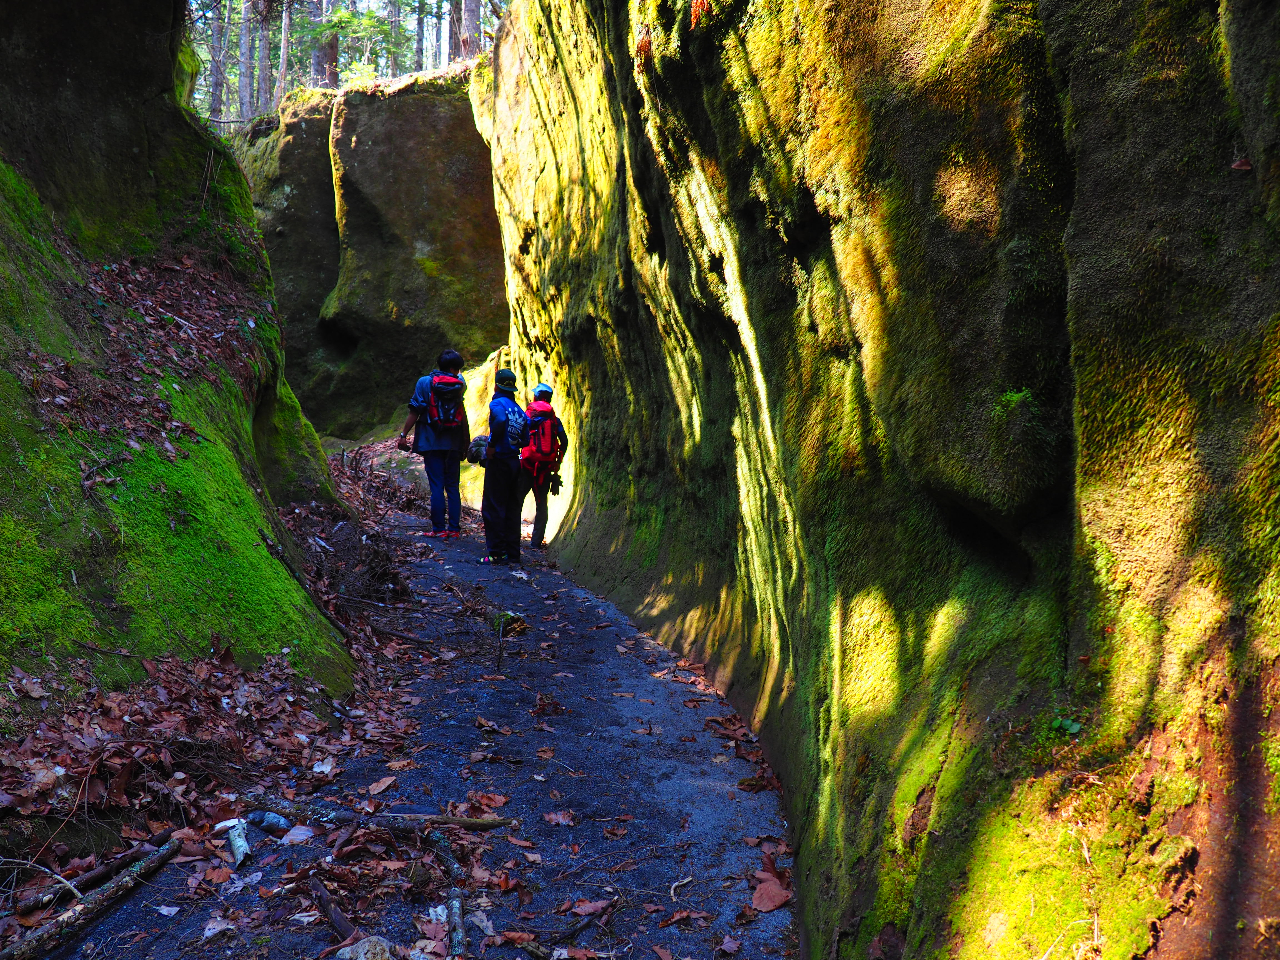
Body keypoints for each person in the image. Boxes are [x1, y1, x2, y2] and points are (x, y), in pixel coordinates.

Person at [399, 349, 469, 538]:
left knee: (437, 485)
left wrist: (403, 434)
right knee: (452, 486)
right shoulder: (460, 384)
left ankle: (438, 529)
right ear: (455, 368)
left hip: (431, 441)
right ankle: (454, 529)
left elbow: (415, 411)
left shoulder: (424, 382)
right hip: (453, 441)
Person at [481, 368, 529, 565]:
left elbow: (500, 420)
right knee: (511, 508)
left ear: (496, 385)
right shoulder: (519, 410)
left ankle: (496, 554)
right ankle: (513, 554)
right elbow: (525, 440)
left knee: (493, 507)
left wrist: (491, 446)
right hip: (514, 462)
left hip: (499, 461)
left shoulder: (498, 403)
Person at [518, 383, 568, 549]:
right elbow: (564, 441)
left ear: (536, 397)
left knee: (517, 501)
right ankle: (536, 542)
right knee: (541, 504)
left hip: (526, 466)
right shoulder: (554, 420)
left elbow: (518, 434)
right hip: (544, 470)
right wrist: (557, 462)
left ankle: (511, 537)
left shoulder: (528, 415)